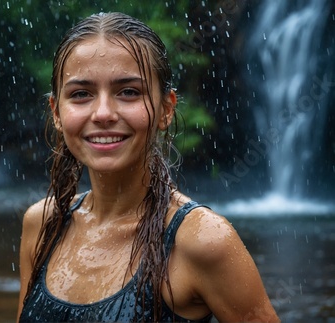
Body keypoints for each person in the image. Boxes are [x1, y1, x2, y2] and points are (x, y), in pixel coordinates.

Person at [17, 12, 279, 322]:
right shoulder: (44, 224)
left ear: (167, 109)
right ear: (56, 112)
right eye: (81, 94)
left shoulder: (201, 240)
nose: (103, 113)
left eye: (128, 91)